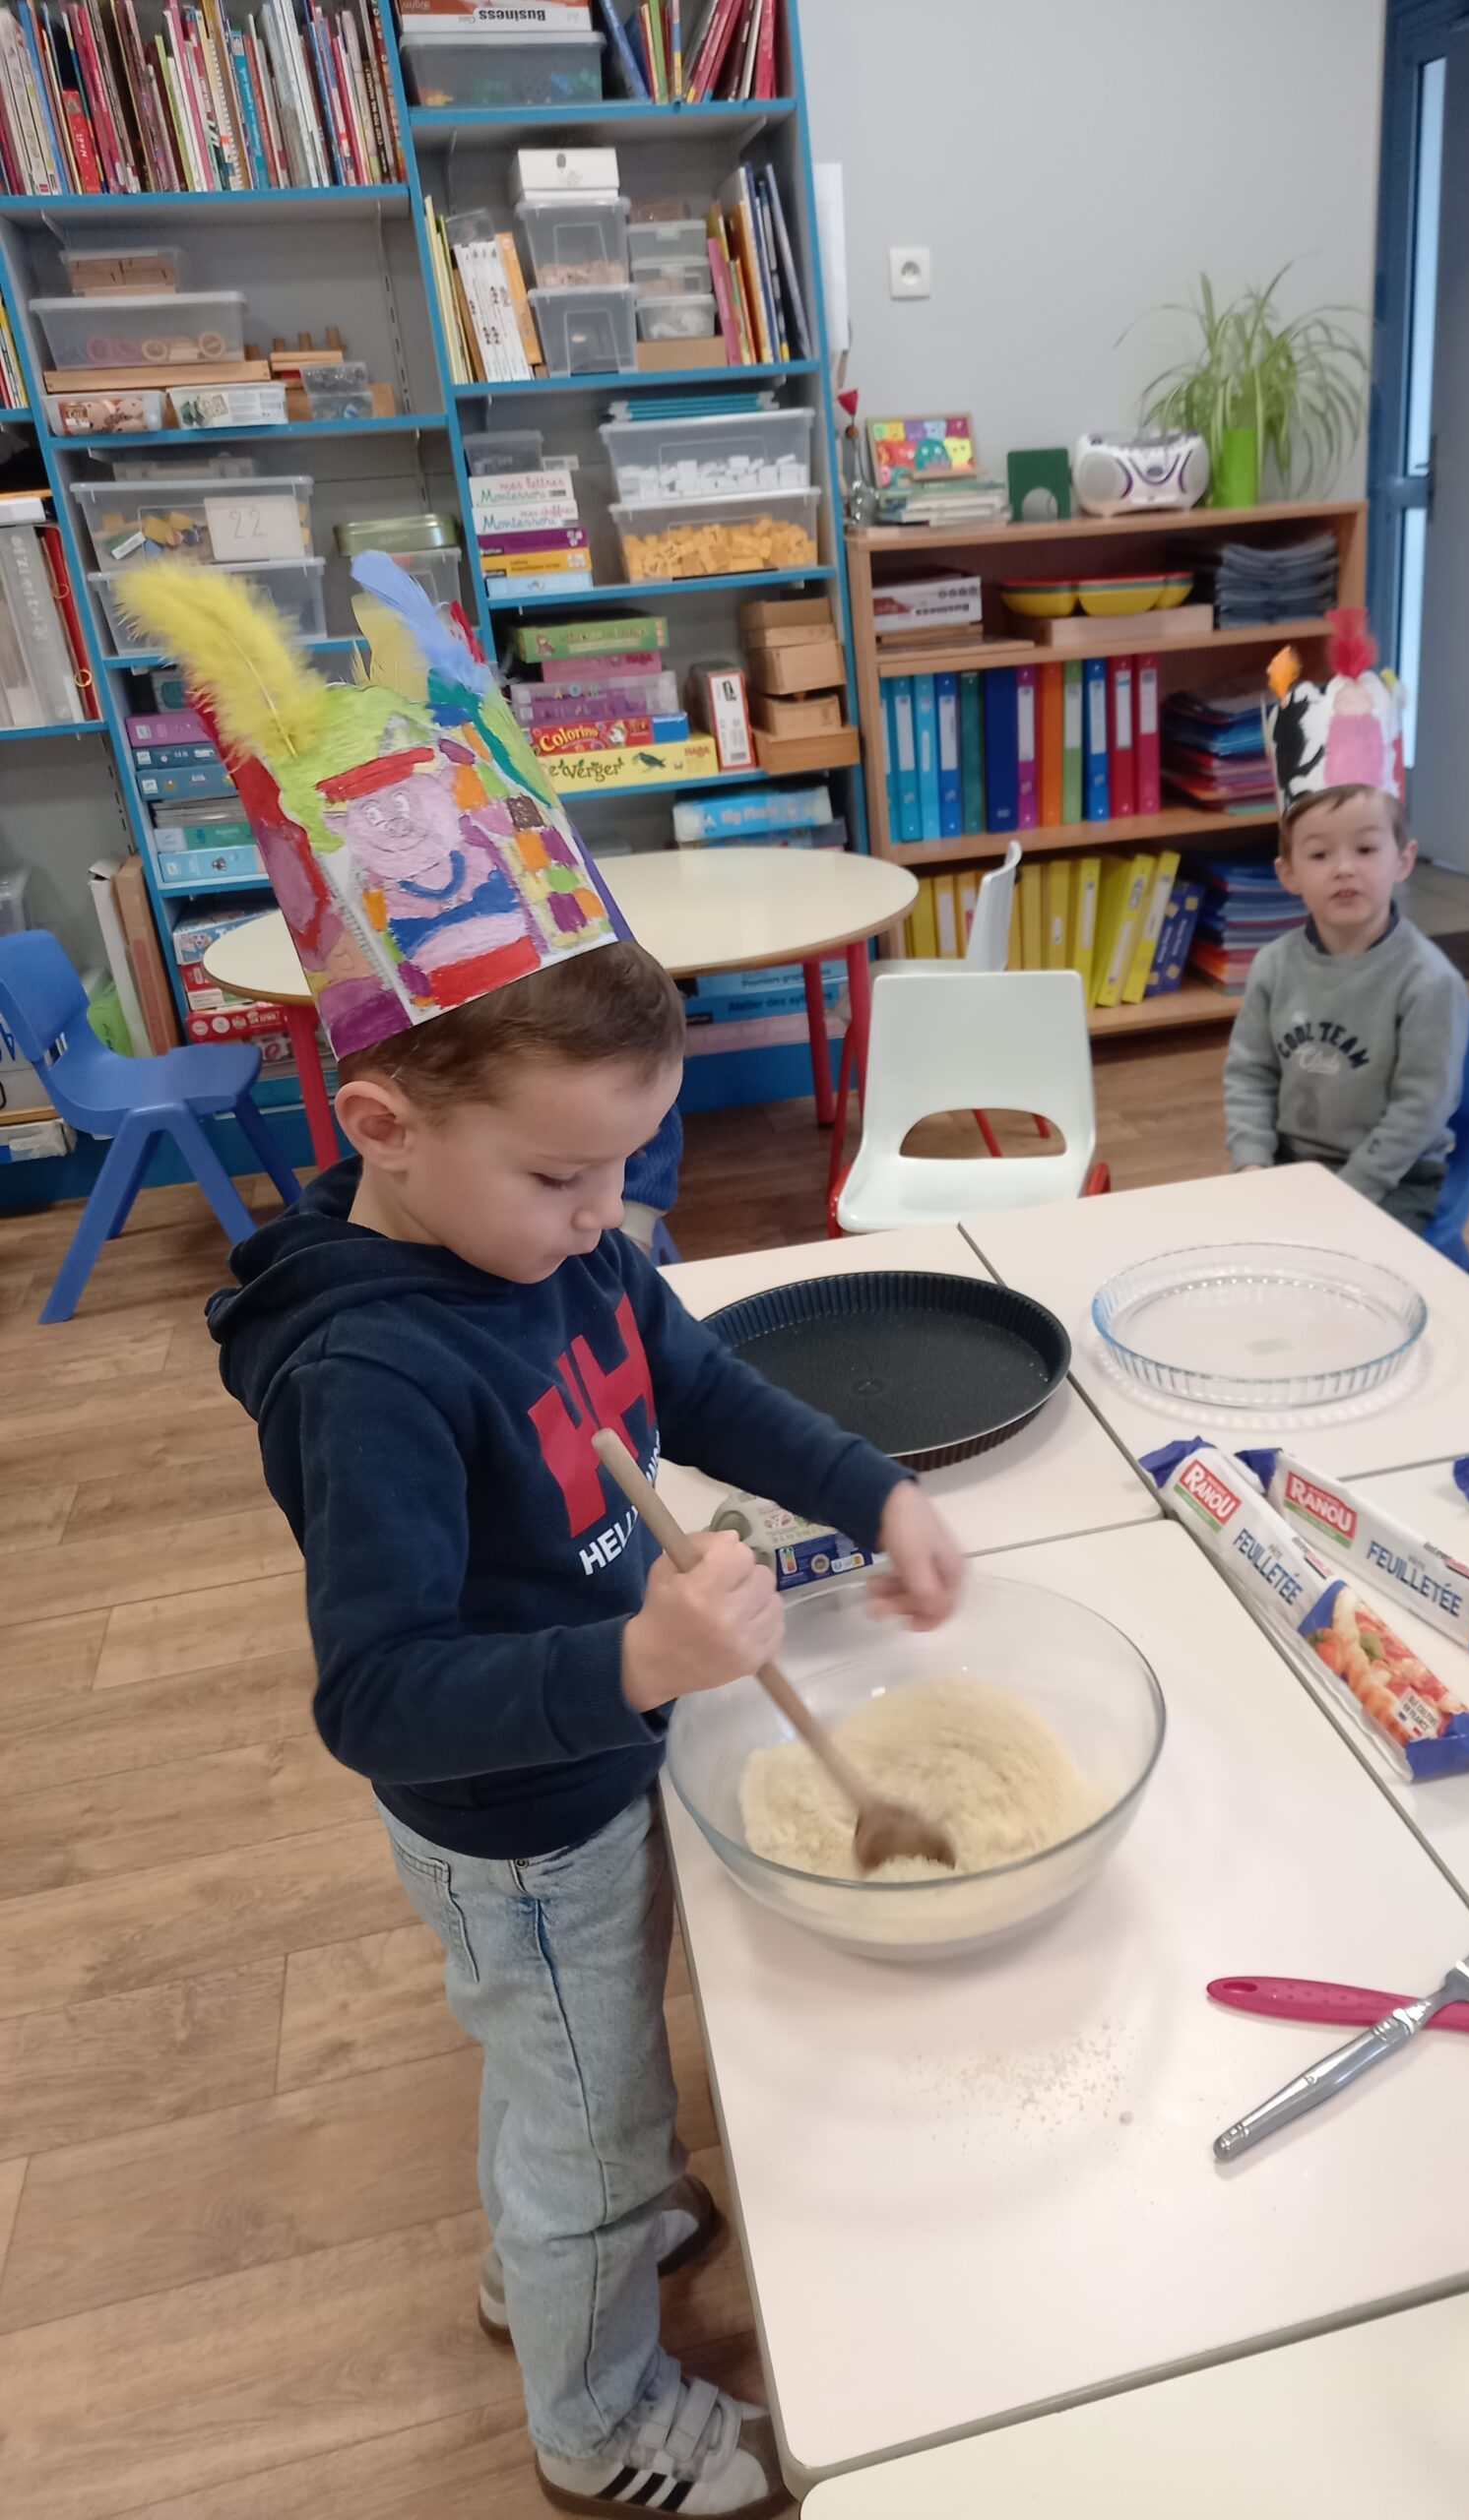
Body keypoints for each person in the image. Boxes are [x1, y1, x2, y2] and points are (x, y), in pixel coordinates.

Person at [212, 941, 962, 2517]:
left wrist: (871, 1489)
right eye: (563, 1173)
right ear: (384, 1127)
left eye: (630, 1163)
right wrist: (638, 1661)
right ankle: (598, 2422)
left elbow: (702, 1389)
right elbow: (374, 1697)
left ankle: (543, 2243)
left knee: (562, 2066)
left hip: (601, 1759)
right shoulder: (372, 1374)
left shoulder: (564, 1251)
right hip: (523, 1829)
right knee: (596, 2124)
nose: (605, 1212)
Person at [1227, 616, 1468, 1231]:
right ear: (1288, 873)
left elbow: (1419, 1110)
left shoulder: (1428, 982)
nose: (1343, 869)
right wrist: (1252, 1165)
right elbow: (1250, 1073)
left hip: (1394, 1177)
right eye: (1319, 854)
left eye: (1365, 849)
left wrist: (1344, 1196)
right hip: (1291, 1163)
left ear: (1403, 860)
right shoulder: (1274, 966)